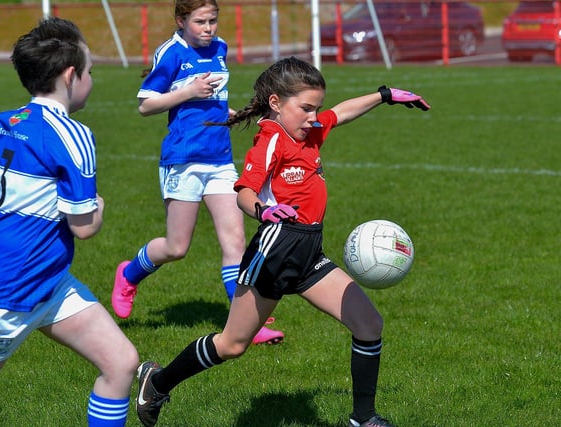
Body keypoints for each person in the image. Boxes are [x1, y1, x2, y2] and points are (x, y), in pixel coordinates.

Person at [134, 56, 430, 427]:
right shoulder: (270, 140)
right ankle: (157, 382)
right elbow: (243, 190)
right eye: (306, 108)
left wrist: (383, 94)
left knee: (369, 324)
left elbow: (341, 112)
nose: (313, 116)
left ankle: (363, 418)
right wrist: (263, 210)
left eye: (316, 108)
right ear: (276, 103)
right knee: (232, 344)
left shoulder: (311, 130)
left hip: (309, 254)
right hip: (273, 252)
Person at [0, 17, 140, 427]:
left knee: (121, 362)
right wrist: (100, 205)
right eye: (91, 71)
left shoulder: (6, 121)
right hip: (4, 291)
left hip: (47, 282)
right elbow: (84, 226)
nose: (93, 79)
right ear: (71, 75)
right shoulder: (75, 136)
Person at [112, 0, 283, 345]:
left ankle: (245, 325)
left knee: (234, 241)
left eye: (213, 21)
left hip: (219, 159)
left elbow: (214, 97)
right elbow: (146, 103)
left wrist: (231, 113)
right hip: (183, 160)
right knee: (177, 247)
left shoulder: (220, 48)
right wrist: (188, 91)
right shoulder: (171, 53)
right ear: (181, 20)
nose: (209, 29)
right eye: (200, 22)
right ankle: (128, 275)